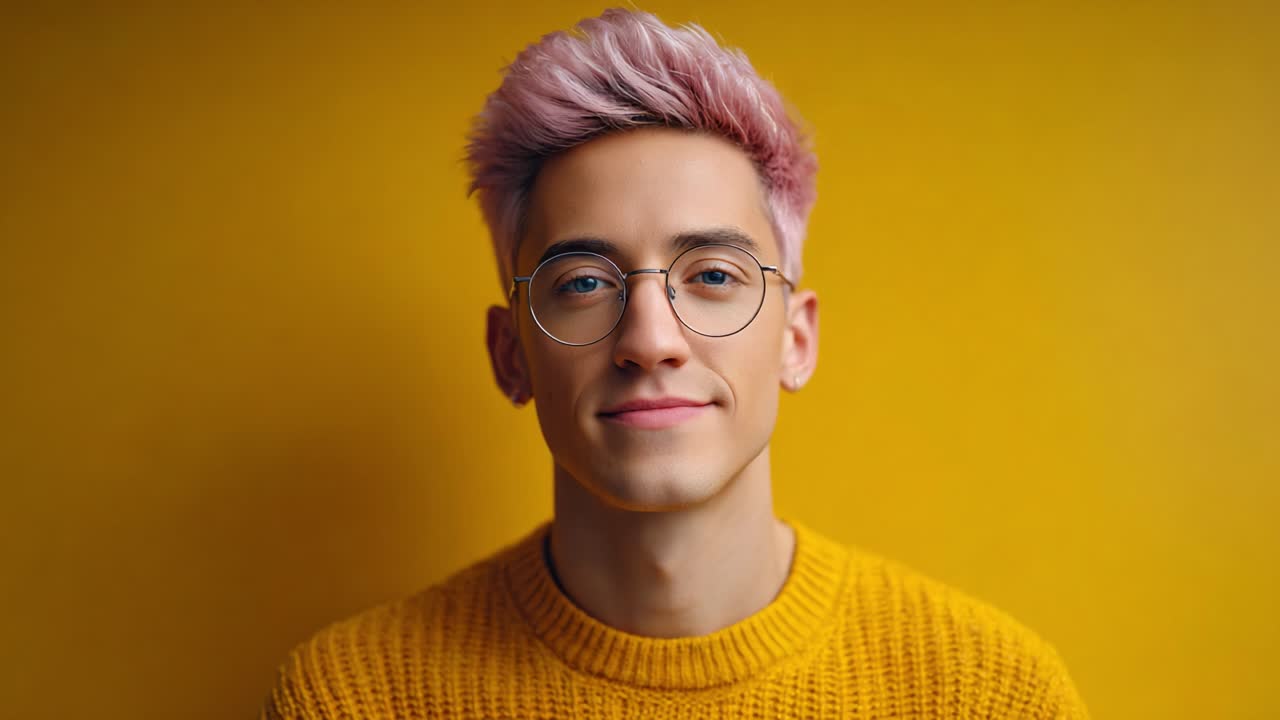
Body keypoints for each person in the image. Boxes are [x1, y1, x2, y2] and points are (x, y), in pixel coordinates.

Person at [260, 8, 1090, 718]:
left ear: (796, 339)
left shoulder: (987, 696)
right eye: (584, 282)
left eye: (715, 277)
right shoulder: (355, 699)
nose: (650, 338)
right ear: (511, 353)